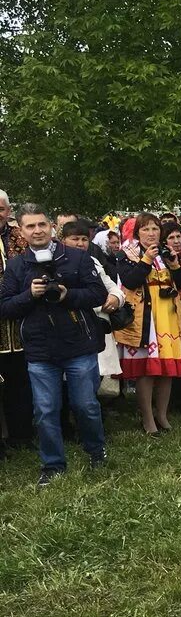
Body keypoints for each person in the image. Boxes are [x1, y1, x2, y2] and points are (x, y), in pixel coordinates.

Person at [0, 204, 107, 485]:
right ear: (21, 231)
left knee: (85, 405)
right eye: (30, 226)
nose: (37, 230)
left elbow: (97, 293)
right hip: (39, 349)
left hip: (77, 344)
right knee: (45, 410)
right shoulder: (16, 265)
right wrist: (29, 295)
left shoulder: (76, 257)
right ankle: (52, 465)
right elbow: (5, 307)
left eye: (42, 225)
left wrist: (67, 294)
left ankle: (96, 451)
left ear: (51, 227)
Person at [115, 212, 181, 435]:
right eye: (145, 229)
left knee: (167, 370)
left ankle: (162, 415)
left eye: (155, 229)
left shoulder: (166, 253)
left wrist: (175, 265)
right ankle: (147, 419)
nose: (151, 233)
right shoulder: (126, 253)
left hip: (168, 316)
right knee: (146, 371)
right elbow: (130, 280)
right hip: (144, 319)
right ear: (137, 232)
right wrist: (146, 258)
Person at [60, 221, 124, 393]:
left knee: (94, 378)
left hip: (96, 326)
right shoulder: (58, 262)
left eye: (84, 239)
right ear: (63, 240)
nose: (80, 243)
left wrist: (115, 298)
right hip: (71, 325)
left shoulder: (93, 261)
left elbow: (112, 287)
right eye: (75, 239)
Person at [0, 189, 34, 455]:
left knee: (21, 383)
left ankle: (22, 436)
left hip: (23, 324)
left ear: (9, 211)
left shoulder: (21, 238)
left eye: (1, 209)